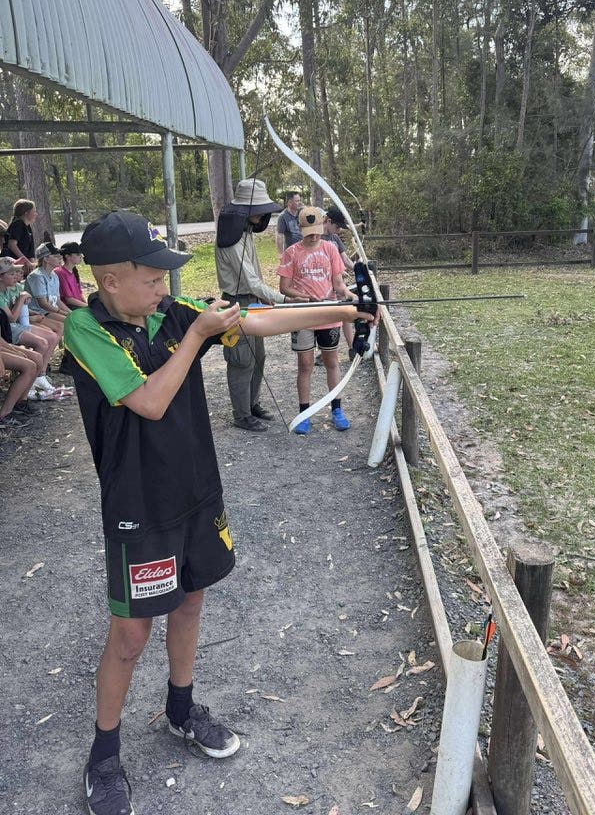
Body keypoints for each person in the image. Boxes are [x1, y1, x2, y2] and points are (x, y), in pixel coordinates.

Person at [61, 210, 376, 815]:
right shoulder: (86, 329)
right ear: (111, 281)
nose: (164, 288)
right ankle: (104, 756)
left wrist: (343, 311)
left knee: (190, 599)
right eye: (152, 278)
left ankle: (181, 709)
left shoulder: (169, 315)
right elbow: (149, 401)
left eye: (163, 279)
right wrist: (197, 337)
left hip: (195, 491)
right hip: (138, 505)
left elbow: (257, 320)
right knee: (130, 634)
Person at [215, 178, 292, 432]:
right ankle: (241, 415)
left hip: (252, 299)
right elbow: (249, 280)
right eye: (258, 210)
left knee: (259, 355)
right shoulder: (233, 239)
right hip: (236, 301)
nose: (263, 215)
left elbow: (255, 278)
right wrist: (283, 298)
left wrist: (265, 296)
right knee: (241, 359)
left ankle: (252, 403)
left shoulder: (244, 232)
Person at [278, 206, 357, 435]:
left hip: (328, 315)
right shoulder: (292, 252)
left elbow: (338, 283)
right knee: (305, 365)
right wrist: (301, 296)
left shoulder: (330, 249)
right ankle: (304, 412)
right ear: (300, 229)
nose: (314, 236)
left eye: (317, 231)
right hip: (303, 315)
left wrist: (349, 295)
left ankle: (337, 410)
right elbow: (284, 287)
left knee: (332, 362)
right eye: (309, 232)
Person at [0, 256, 62, 400]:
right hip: (8, 329)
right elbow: (11, 318)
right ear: (1, 277)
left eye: (16, 273)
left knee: (52, 337)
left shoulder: (11, 288)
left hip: (15, 325)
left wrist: (30, 310)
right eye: (11, 273)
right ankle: (31, 383)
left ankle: (40, 376)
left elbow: (19, 308)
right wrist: (22, 300)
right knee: (41, 343)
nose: (16, 276)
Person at [323, 205, 356, 357]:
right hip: (323, 288)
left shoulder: (335, 238)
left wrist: (359, 268)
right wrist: (336, 270)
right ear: (328, 221)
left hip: (339, 285)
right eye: (337, 226)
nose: (339, 230)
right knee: (326, 320)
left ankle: (352, 348)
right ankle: (325, 352)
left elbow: (345, 259)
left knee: (345, 315)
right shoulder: (316, 238)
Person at [25, 242, 69, 334]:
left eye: (60, 255)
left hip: (49, 311)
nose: (60, 258)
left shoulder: (54, 275)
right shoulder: (37, 276)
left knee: (72, 319)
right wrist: (64, 313)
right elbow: (43, 304)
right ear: (46, 258)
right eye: (56, 256)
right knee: (68, 323)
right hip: (37, 312)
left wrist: (70, 312)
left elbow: (57, 300)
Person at [1, 198, 37, 272]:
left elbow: (31, 251)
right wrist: (26, 261)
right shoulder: (18, 224)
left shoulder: (27, 226)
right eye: (34, 211)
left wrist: (32, 265)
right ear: (26, 213)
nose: (36, 214)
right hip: (13, 265)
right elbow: (12, 245)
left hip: (25, 266)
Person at [55, 241, 88, 309]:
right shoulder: (60, 272)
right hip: (70, 308)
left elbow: (80, 293)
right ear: (67, 256)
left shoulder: (74, 271)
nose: (81, 256)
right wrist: (88, 307)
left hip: (79, 306)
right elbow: (69, 300)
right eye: (78, 254)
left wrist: (86, 304)